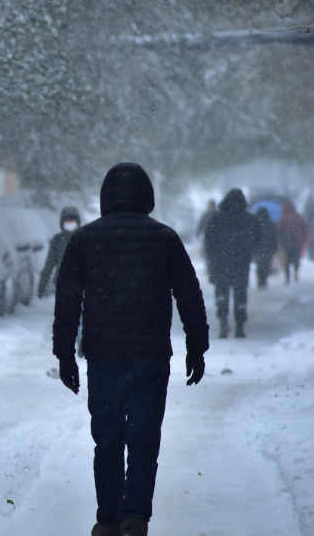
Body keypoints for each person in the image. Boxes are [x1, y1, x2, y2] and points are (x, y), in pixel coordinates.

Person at [52, 163, 209, 536]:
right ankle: (135, 516)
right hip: (150, 355)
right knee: (143, 440)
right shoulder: (164, 238)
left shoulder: (85, 240)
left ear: (107, 197)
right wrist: (196, 346)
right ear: (147, 197)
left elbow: (68, 300)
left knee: (106, 439)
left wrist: (64, 354)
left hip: (103, 356)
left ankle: (107, 518)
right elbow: (189, 294)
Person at [204, 189, 258, 338]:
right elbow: (257, 238)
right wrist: (249, 252)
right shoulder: (248, 219)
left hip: (220, 262)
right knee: (240, 293)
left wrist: (210, 260)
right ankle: (240, 326)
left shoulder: (216, 219)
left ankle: (223, 322)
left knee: (222, 292)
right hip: (241, 263)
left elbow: (209, 242)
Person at [37, 206, 82, 299]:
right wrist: (41, 287)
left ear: (77, 222)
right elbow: (49, 265)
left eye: (72, 221)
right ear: (62, 223)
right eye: (67, 221)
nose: (70, 224)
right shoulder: (57, 240)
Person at [277, 200, 307, 284]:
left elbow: (278, 230)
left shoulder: (283, 218)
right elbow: (305, 229)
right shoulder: (299, 217)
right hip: (297, 242)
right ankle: (296, 272)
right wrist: (303, 239)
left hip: (286, 243)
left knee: (286, 259)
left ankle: (287, 276)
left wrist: (280, 240)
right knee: (296, 258)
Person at [253, 207, 278, 290]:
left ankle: (260, 280)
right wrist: (274, 248)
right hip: (268, 249)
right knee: (266, 264)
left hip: (259, 249)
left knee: (260, 265)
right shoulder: (270, 224)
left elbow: (253, 237)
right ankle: (264, 280)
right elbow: (274, 237)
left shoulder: (255, 224)